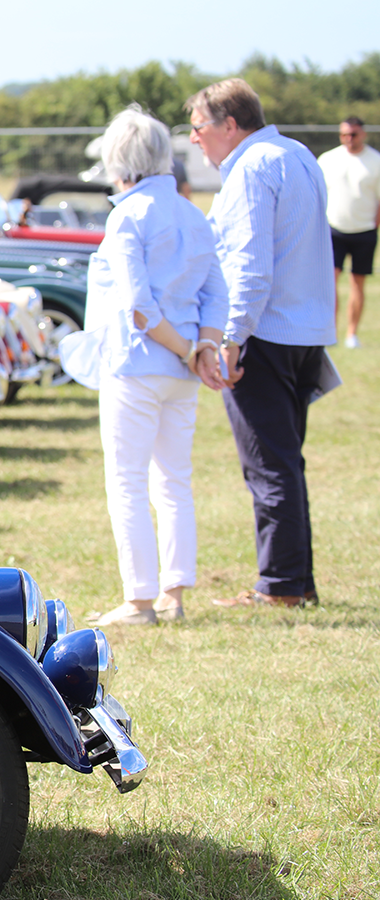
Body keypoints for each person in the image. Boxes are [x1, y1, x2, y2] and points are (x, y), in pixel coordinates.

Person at [186, 78, 336, 610]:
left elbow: (249, 265)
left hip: (264, 334)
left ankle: (281, 586)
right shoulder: (297, 153)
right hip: (304, 331)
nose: (195, 139)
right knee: (283, 462)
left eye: (200, 127)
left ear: (230, 124)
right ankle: (296, 580)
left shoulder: (250, 168)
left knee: (270, 466)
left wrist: (230, 338)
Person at [78, 107, 228, 628]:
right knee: (174, 480)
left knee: (127, 480)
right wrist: (203, 348)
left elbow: (138, 307)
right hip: (181, 368)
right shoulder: (193, 213)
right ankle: (174, 592)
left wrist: (191, 350)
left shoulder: (127, 216)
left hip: (138, 362)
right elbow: (216, 292)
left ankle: (139, 599)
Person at [317, 117, 380, 349]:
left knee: (358, 284)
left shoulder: (375, 161)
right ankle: (330, 331)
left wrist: (373, 226)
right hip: (334, 229)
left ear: (363, 134)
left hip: (364, 231)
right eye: (344, 134)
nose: (348, 139)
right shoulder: (328, 159)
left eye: (353, 134)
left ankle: (351, 334)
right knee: (329, 283)